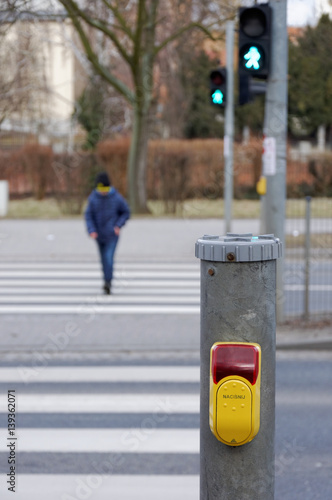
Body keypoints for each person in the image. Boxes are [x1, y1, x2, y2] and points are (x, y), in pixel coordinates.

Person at [85, 172, 130, 294]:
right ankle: (106, 279)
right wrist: (91, 230)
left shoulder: (116, 198)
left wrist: (118, 225)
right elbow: (89, 216)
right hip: (99, 235)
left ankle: (108, 282)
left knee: (108, 258)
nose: (103, 192)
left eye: (105, 189)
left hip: (112, 235)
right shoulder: (93, 198)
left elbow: (126, 212)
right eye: (100, 189)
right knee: (103, 259)